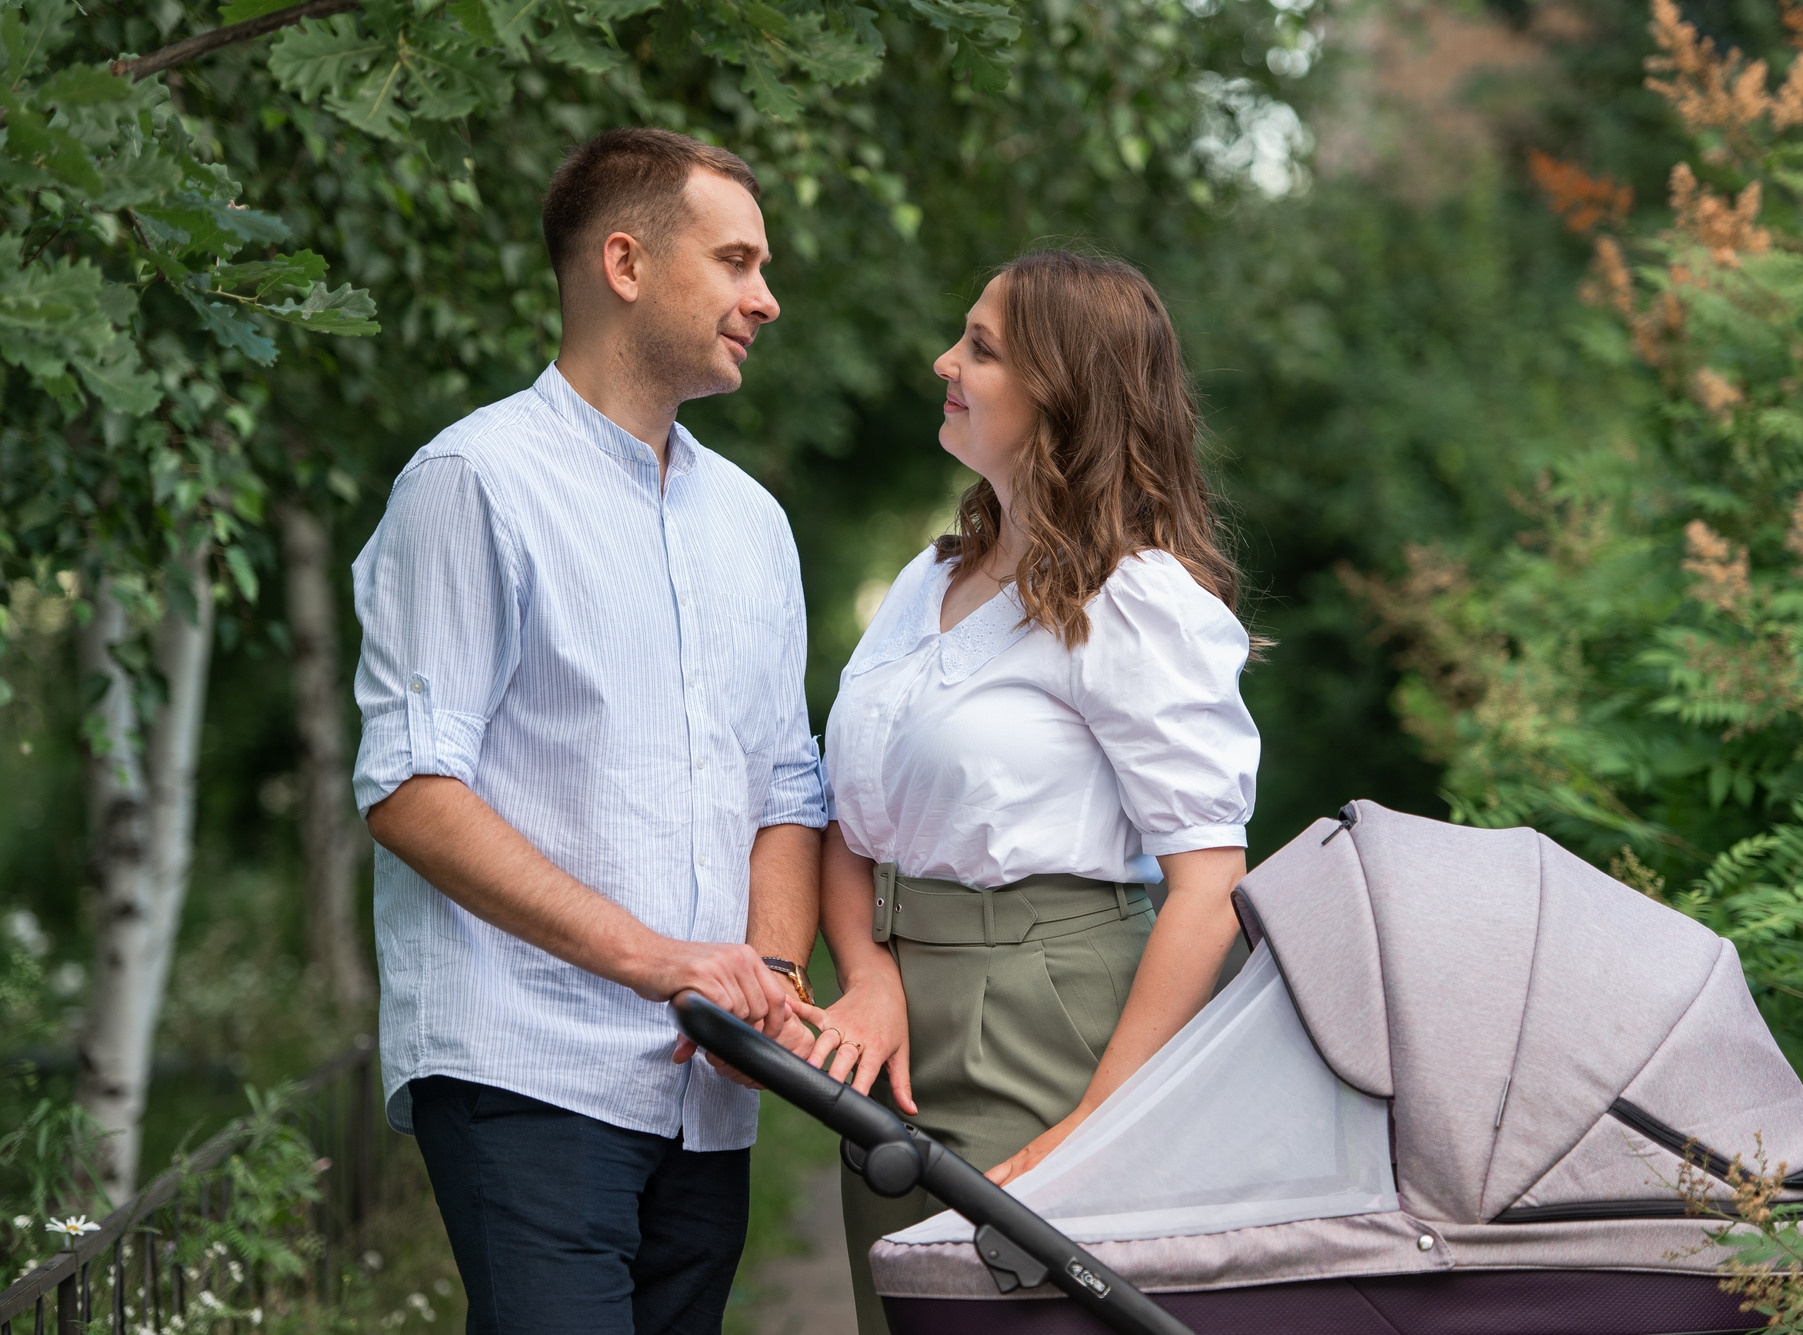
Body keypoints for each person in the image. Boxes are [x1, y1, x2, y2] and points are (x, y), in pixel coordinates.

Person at [351, 128, 826, 1335]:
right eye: (734, 262)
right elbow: (410, 786)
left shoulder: (755, 525)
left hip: (710, 1093)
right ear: (624, 262)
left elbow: (785, 787)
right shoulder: (474, 482)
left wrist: (760, 983)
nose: (765, 299)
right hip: (528, 1066)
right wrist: (660, 962)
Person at [811, 250, 1262, 1334]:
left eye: (980, 347)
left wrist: (1098, 1124)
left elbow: (1207, 885)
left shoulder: (1135, 600)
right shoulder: (928, 582)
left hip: (1047, 1022)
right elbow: (848, 816)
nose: (943, 362)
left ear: (1065, 391)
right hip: (892, 1039)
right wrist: (867, 974)